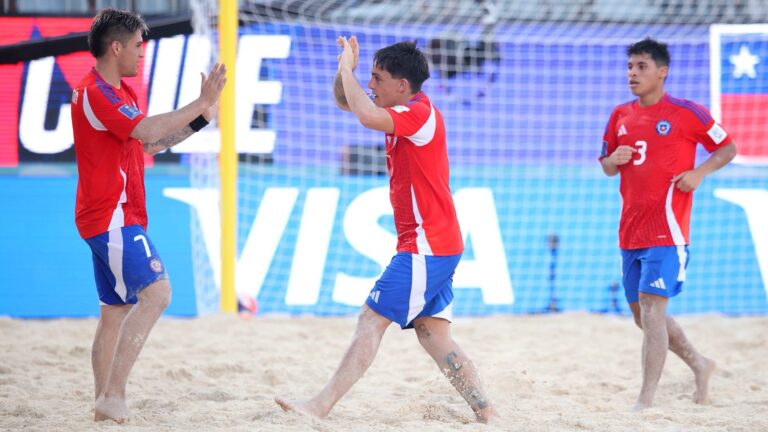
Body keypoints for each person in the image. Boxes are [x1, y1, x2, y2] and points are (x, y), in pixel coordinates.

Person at [275, 37, 498, 423]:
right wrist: (345, 70)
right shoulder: (398, 107)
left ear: (402, 84)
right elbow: (346, 100)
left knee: (371, 318)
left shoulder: (418, 113)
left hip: (427, 245)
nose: (370, 85)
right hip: (437, 243)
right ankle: (487, 411)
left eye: (377, 78)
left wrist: (348, 70)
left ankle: (319, 406)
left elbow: (363, 114)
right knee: (433, 335)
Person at [70, 8, 226, 422]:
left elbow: (149, 145)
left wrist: (200, 119)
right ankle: (113, 395)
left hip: (108, 216)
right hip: (112, 216)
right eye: (138, 46)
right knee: (157, 293)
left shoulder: (120, 92)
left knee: (114, 313)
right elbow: (145, 131)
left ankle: (104, 402)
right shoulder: (96, 91)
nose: (143, 53)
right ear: (115, 47)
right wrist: (200, 101)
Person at [599, 38, 736, 410]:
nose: (632, 73)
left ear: (662, 72)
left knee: (651, 308)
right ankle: (700, 363)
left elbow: (727, 148)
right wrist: (613, 159)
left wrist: (700, 172)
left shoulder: (686, 112)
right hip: (630, 229)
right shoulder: (619, 115)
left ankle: (645, 400)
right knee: (642, 315)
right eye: (630, 66)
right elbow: (606, 167)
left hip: (668, 229)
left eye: (641, 66)